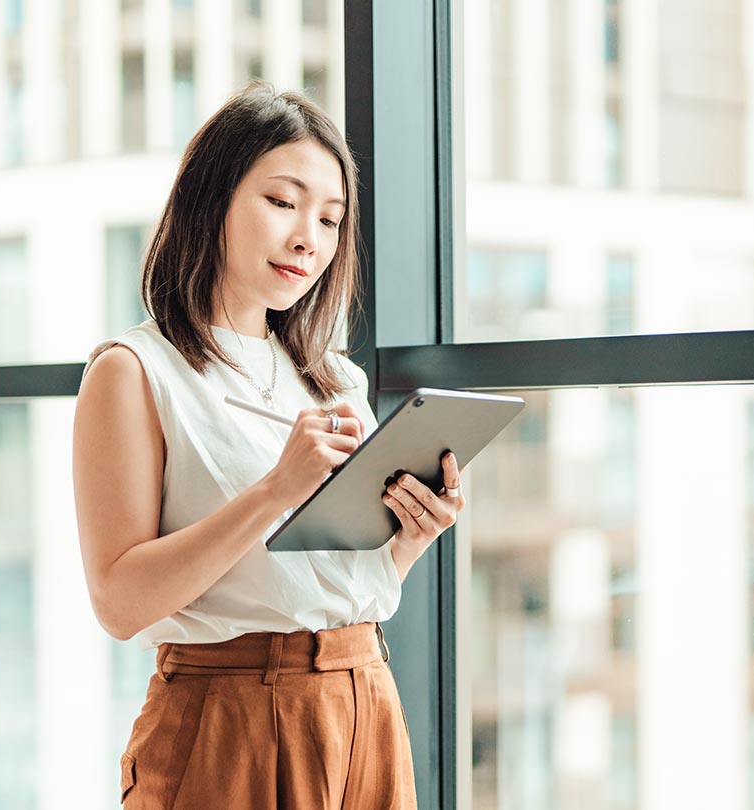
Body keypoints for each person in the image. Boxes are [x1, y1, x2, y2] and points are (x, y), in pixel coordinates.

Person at [71, 81, 463, 809]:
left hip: (365, 699)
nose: (307, 238)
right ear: (211, 198)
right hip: (231, 718)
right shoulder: (134, 372)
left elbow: (336, 581)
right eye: (283, 202)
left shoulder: (333, 378)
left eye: (330, 218)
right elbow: (120, 601)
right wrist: (276, 492)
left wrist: (411, 532)